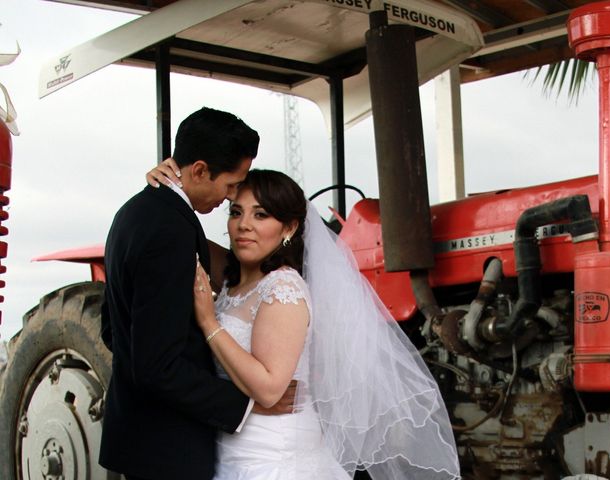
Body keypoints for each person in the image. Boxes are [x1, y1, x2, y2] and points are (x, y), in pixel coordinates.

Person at [147, 163, 461, 479]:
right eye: (235, 212)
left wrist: (209, 322)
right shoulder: (231, 276)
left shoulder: (283, 288)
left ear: (289, 228)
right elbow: (182, 234)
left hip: (276, 458)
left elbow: (270, 390)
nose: (244, 225)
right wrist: (166, 188)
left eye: (260, 215)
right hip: (231, 450)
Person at [100, 108, 294, 480]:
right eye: (231, 185)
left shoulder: (133, 213)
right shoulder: (170, 230)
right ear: (200, 170)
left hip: (139, 438)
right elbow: (157, 367)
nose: (231, 196)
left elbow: (113, 330)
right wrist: (246, 405)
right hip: (169, 447)